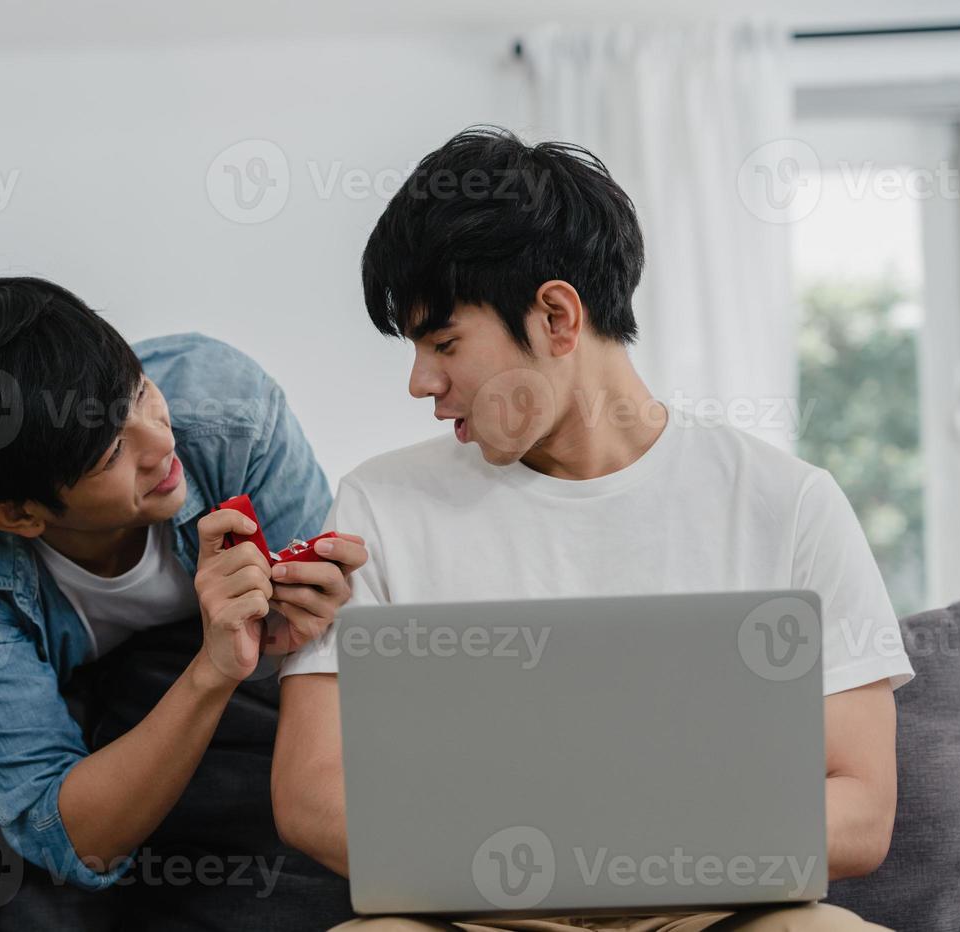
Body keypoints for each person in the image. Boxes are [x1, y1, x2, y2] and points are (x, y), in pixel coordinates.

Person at [270, 128, 913, 931]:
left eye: (443, 343)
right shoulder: (379, 506)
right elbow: (307, 794)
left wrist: (629, 854)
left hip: (714, 915)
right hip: (475, 916)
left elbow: (861, 808)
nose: (421, 382)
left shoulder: (787, 502)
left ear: (556, 317)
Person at [0, 276, 367, 891]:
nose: (161, 442)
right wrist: (213, 669)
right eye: (111, 451)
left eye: (138, 390)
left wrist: (310, 620)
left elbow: (324, 668)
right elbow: (70, 837)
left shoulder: (227, 408)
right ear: (22, 516)